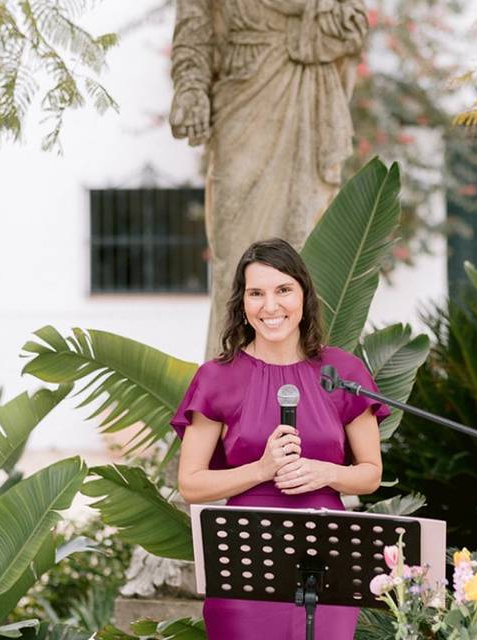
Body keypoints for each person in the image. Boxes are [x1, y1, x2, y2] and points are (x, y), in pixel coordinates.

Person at [171, 237, 388, 639]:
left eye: (283, 290)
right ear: (243, 304)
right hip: (245, 556)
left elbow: (371, 474)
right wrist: (261, 469)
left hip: (327, 553)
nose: (270, 307)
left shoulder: (342, 372)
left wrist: (326, 473)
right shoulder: (218, 378)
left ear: (304, 294)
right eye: (257, 293)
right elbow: (191, 483)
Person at [169, 0, 369, 356]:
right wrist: (190, 86)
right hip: (243, 93)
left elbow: (351, 22)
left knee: (306, 249)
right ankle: (230, 385)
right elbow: (194, 22)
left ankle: (305, 383)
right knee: (236, 258)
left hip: (308, 92)